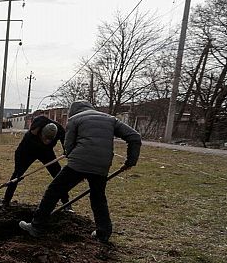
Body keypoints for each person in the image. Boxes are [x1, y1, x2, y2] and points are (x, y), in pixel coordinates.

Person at [19, 101, 141, 243]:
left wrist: (74, 160)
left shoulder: (74, 119)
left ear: (73, 111)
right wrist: (131, 161)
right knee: (98, 198)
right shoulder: (110, 119)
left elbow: (68, 146)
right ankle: (103, 234)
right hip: (102, 165)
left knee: (54, 190)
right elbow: (134, 136)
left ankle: (36, 227)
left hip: (79, 162)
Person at [1, 116, 69, 209]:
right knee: (17, 176)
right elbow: (19, 153)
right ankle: (6, 201)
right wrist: (18, 168)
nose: (46, 142)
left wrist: (67, 150)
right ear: (40, 133)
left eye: (49, 140)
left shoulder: (59, 130)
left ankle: (66, 204)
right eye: (44, 139)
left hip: (46, 152)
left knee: (58, 175)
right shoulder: (34, 130)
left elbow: (66, 143)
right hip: (28, 151)